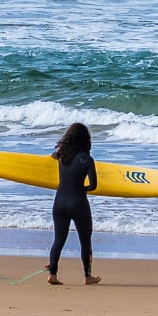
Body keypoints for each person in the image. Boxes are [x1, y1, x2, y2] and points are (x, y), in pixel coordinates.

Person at [47, 122, 101, 286]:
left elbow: (52, 155)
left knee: (58, 240)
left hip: (59, 203)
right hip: (78, 203)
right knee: (85, 241)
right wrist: (81, 189)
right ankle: (87, 276)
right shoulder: (87, 160)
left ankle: (52, 274)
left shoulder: (61, 156)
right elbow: (93, 186)